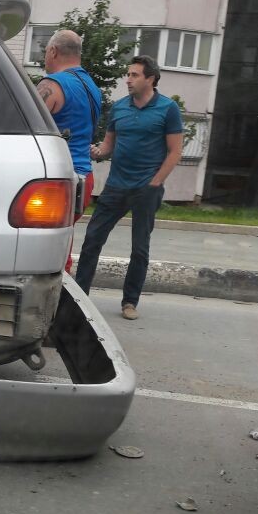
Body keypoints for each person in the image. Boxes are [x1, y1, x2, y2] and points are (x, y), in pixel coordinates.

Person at [74, 55, 183, 321]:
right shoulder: (120, 108)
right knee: (91, 241)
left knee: (139, 248)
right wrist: (97, 152)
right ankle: (79, 299)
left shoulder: (167, 109)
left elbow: (175, 151)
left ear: (151, 79)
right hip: (116, 186)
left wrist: (155, 182)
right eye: (128, 74)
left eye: (134, 75)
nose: (128, 79)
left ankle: (129, 302)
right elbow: (109, 145)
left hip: (146, 188)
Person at [36, 29, 102, 274]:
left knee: (41, 253)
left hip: (58, 179)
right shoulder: (91, 87)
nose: (45, 58)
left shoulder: (51, 85)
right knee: (62, 245)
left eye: (45, 52)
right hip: (84, 179)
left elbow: (25, 128)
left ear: (53, 51)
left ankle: (52, 303)